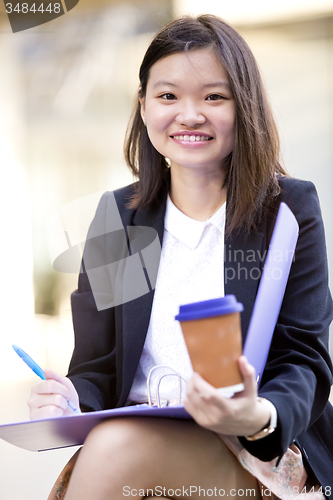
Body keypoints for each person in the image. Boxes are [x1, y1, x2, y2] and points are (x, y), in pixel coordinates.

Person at [28, 14, 333, 500]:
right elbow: (98, 369)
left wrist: (259, 415)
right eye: (168, 96)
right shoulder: (116, 220)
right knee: (113, 441)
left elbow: (304, 357)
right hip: (135, 431)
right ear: (144, 106)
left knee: (111, 448)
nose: (189, 115)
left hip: (255, 445)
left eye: (214, 97)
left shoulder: (286, 211)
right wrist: (69, 400)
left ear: (244, 105)